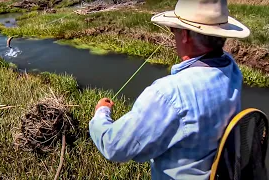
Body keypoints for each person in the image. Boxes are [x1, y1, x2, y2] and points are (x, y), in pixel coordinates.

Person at [88, 0, 250, 179]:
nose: (173, 35)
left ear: (186, 35)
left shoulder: (168, 93)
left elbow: (114, 146)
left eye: (174, 29)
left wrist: (101, 112)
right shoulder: (232, 69)